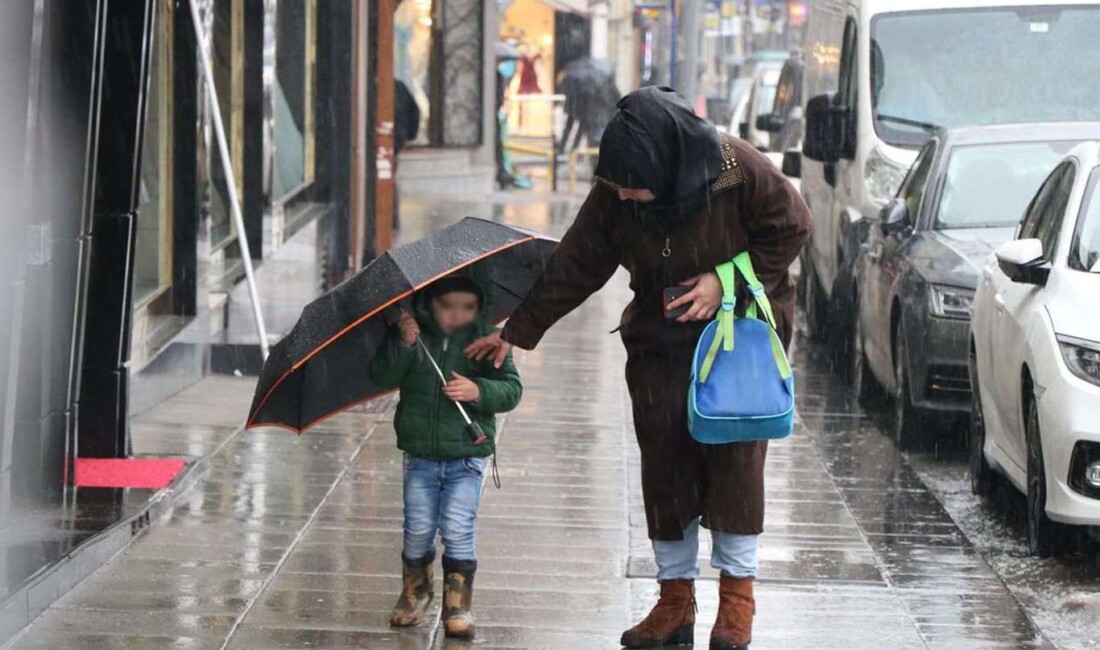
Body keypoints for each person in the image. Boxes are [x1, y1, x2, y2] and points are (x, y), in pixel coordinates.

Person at [465, 87, 811, 649]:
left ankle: (737, 602)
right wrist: (518, 330)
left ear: (666, 161)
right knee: (665, 462)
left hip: (738, 336)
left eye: (633, 183)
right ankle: (674, 602)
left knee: (735, 460)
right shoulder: (616, 192)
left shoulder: (734, 167)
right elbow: (578, 261)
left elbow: (793, 226)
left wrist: (723, 278)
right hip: (661, 338)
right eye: (618, 184)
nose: (625, 193)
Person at [370, 274, 522, 640]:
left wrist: (477, 390)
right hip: (421, 454)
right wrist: (404, 344)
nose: (457, 315)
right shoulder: (414, 336)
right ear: (429, 305)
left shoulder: (487, 341)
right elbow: (381, 375)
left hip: (466, 456)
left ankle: (458, 604)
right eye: (447, 306)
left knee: (457, 526)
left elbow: (512, 389)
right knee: (418, 529)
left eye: (467, 307)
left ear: (479, 308)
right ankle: (415, 593)